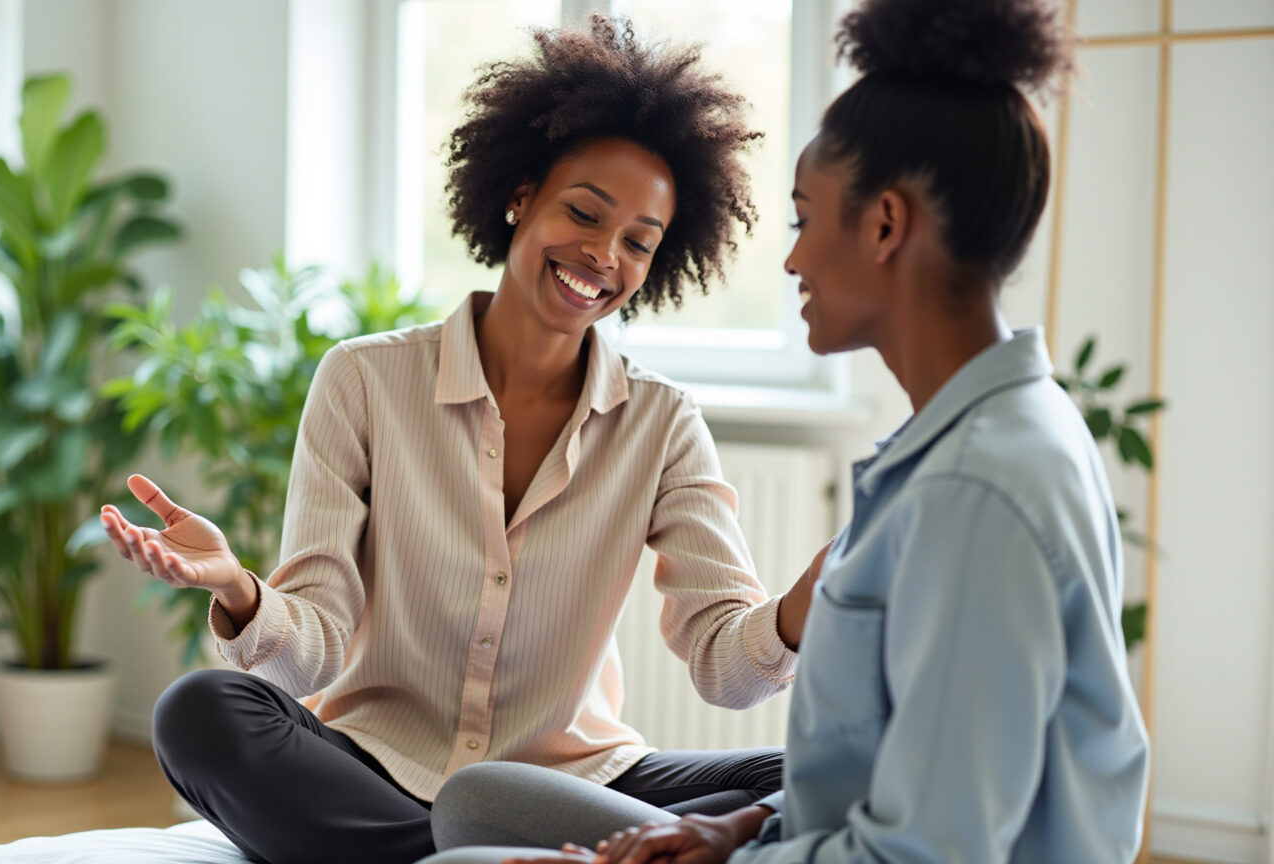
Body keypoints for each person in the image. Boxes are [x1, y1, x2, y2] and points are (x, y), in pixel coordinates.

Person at [419, 0, 1152, 862]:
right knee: (476, 805)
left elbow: (929, 853)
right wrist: (736, 828)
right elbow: (896, 764)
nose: (793, 259)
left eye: (804, 219)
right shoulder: (969, 442)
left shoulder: (973, 489)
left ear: (884, 224)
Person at [99, 17, 825, 864]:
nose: (602, 255)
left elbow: (721, 663)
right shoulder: (365, 380)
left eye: (638, 242)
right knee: (200, 712)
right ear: (521, 193)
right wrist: (238, 588)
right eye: (583, 214)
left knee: (811, 773)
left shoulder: (661, 423)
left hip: (579, 783)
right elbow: (316, 645)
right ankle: (500, 855)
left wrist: (802, 606)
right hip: (374, 765)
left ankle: (486, 851)